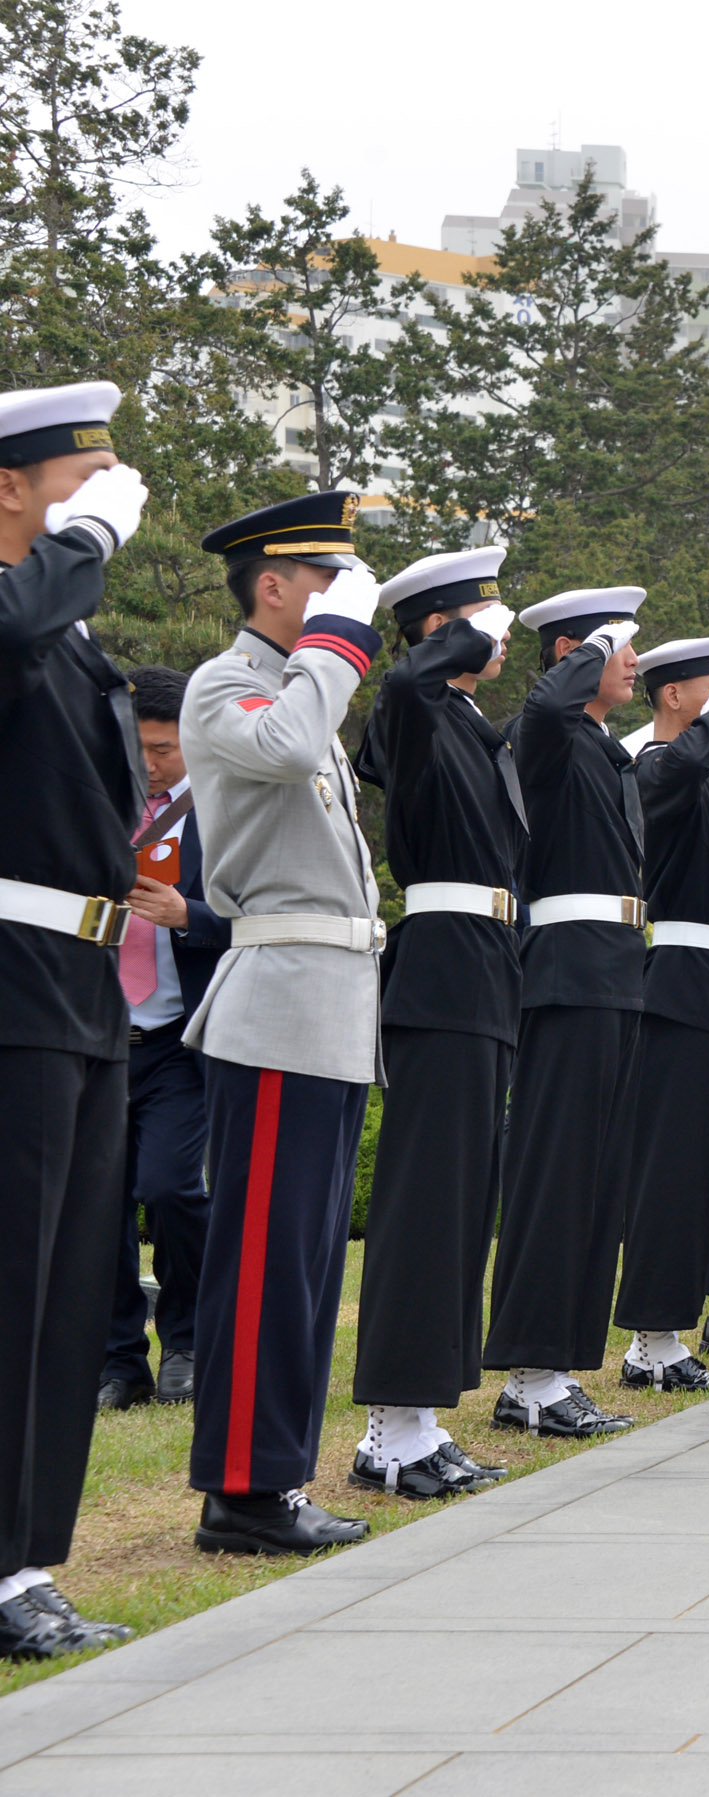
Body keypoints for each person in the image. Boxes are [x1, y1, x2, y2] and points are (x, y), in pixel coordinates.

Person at [180, 490, 385, 1555]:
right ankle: (241, 1489)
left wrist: (328, 650)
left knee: (304, 1261)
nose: (343, 599)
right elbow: (295, 747)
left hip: (331, 1002)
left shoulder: (302, 689)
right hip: (276, 1007)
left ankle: (280, 1474)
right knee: (263, 1257)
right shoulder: (229, 686)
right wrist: (339, 641)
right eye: (324, 580)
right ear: (274, 585)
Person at [0, 380, 146, 1650]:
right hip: (12, 980)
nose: (108, 496)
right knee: (12, 1282)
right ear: (11, 486)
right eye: (82, 476)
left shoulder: (64, 631)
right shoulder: (24, 611)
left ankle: (25, 1563)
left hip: (84, 983)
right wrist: (86, 543)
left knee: (61, 1290)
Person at [347, 548, 522, 1497]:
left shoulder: (465, 721)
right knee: (425, 1206)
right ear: (440, 628)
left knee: (461, 1205)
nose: (503, 635)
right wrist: (457, 638)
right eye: (487, 619)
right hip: (443, 970)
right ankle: (388, 1431)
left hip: (484, 969)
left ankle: (422, 1419)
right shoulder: (414, 711)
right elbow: (400, 686)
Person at [487, 589, 646, 1439]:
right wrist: (590, 646)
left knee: (596, 1179)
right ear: (570, 654)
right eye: (617, 644)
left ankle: (560, 1370)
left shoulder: (603, 748)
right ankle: (529, 1374)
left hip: (614, 971)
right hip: (567, 972)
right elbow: (545, 706)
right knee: (556, 1173)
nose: (633, 660)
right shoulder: (545, 732)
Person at [611, 633, 709, 1391]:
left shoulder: (704, 782)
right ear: (673, 696)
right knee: (672, 1169)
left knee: (698, 1170)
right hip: (679, 985)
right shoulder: (655, 767)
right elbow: (680, 765)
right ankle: (651, 1340)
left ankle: (668, 1331)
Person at [100, 664, 223, 1416]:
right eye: (138, 747)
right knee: (99, 1203)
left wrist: (190, 915)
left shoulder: (223, 808)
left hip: (181, 1039)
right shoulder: (99, 804)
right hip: (100, 1034)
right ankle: (118, 1358)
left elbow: (257, 914)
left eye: (163, 749)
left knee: (173, 1186)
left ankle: (187, 1341)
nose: (149, 764)